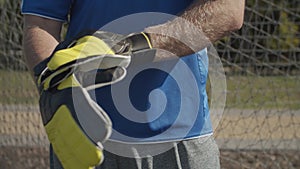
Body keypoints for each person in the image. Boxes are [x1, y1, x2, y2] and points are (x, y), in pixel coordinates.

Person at [22, 0, 245, 169]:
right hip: (82, 133)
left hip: (181, 137)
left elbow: (228, 8)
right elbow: (40, 24)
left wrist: (134, 46)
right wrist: (54, 87)